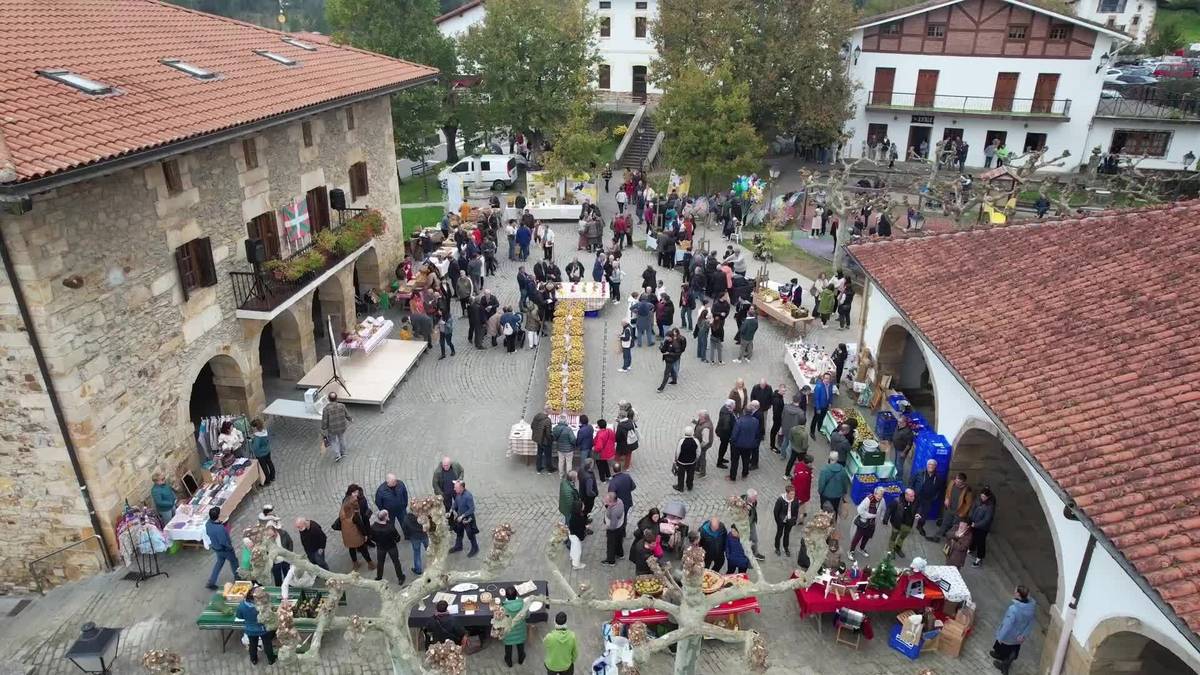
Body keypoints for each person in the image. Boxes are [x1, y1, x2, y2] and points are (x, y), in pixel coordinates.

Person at [992, 586, 1036, 673]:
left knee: (1005, 649)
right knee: (1013, 649)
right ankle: (1000, 657)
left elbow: (1007, 625)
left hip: (1009, 635)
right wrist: (1023, 635)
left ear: (1018, 595)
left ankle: (1004, 666)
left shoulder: (1014, 609)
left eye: (1015, 591)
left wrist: (1000, 637)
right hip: (1018, 636)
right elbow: (1031, 623)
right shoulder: (1031, 608)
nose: (1014, 592)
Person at [236, 587, 278, 665]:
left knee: (252, 644)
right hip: (263, 629)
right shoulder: (263, 607)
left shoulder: (242, 605)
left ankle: (254, 659)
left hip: (250, 630)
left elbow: (239, 616)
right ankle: (271, 659)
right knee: (267, 644)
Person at [338, 492, 374, 571]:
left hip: (347, 536)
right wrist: (365, 535)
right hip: (356, 536)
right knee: (364, 550)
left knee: (351, 549)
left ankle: (355, 564)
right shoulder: (355, 516)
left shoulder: (342, 512)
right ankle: (370, 564)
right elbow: (361, 526)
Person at [934, 472, 975, 542]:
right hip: (950, 508)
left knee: (954, 526)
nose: (957, 483)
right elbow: (948, 491)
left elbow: (968, 504)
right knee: (945, 523)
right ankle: (937, 537)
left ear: (963, 482)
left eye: (959, 482)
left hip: (958, 512)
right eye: (956, 480)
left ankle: (949, 541)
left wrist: (962, 513)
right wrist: (946, 498)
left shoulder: (967, 490)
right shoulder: (952, 483)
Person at [204, 506, 238, 589]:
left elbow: (209, 533)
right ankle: (238, 578)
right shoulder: (220, 528)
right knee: (234, 562)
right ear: (218, 516)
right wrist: (230, 547)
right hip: (225, 550)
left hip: (216, 548)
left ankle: (211, 582)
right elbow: (224, 542)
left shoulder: (208, 524)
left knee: (219, 563)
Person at [368, 510, 405, 583]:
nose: (388, 516)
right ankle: (400, 578)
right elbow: (397, 538)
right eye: (387, 515)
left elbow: (371, 537)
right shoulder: (390, 527)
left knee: (380, 562)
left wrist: (377, 541)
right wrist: (395, 541)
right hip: (391, 547)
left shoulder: (373, 527)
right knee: (396, 562)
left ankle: (379, 577)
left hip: (380, 547)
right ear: (385, 517)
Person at [849, 487, 886, 558]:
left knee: (867, 537)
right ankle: (851, 551)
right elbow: (859, 510)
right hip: (863, 522)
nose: (879, 497)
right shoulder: (868, 500)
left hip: (872, 523)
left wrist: (881, 517)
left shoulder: (882, 500)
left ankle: (861, 549)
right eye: (878, 495)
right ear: (874, 493)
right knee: (857, 537)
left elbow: (883, 509)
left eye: (881, 495)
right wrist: (871, 516)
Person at [912, 459, 945, 537]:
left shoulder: (938, 478)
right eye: (929, 464)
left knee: (923, 516)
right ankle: (907, 526)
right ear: (927, 465)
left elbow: (941, 489)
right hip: (917, 497)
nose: (931, 466)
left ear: (935, 467)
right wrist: (911, 493)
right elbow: (911, 483)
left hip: (928, 500)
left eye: (933, 465)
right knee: (912, 512)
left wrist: (935, 497)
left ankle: (919, 527)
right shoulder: (919, 473)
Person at [885, 488, 921, 557]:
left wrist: (918, 513)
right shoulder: (897, 501)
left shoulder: (915, 500)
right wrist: (885, 519)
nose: (913, 497)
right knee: (893, 537)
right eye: (911, 496)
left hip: (908, 524)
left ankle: (898, 548)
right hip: (897, 523)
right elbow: (889, 509)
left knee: (902, 537)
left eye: (913, 496)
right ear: (906, 495)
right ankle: (891, 551)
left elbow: (919, 506)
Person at [727, 404, 759, 481]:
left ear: (744, 411)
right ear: (751, 412)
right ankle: (745, 473)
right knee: (746, 460)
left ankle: (733, 476)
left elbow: (734, 434)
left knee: (735, 461)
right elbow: (757, 433)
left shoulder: (739, 421)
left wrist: (732, 441)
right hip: (749, 445)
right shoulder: (756, 421)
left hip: (737, 445)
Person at [449, 480, 479, 557]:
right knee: (459, 532)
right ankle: (458, 546)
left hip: (468, 519)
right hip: (459, 518)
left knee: (471, 534)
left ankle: (475, 548)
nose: (454, 489)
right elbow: (455, 503)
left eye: (456, 487)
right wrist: (451, 510)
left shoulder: (468, 496)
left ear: (461, 488)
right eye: (454, 487)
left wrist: (463, 516)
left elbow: (472, 509)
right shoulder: (458, 494)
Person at [816, 452, 850, 520]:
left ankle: (823, 523)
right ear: (837, 459)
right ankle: (833, 524)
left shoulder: (824, 470)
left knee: (824, 509)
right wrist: (844, 492)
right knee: (835, 510)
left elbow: (821, 483)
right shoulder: (842, 470)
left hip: (825, 495)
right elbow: (845, 483)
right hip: (837, 495)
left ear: (829, 458)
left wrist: (820, 491)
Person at [501, 586, 528, 667]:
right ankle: (521, 658)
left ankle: (509, 661)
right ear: (516, 595)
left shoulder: (503, 608)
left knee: (508, 647)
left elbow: (500, 619)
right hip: (520, 631)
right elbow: (527, 615)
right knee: (520, 645)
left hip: (508, 632)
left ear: (506, 596)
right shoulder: (523, 604)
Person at [321, 392, 352, 462]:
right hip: (342, 427)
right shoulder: (342, 406)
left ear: (328, 399)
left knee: (333, 441)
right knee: (342, 439)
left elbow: (325, 420)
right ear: (336, 398)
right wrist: (351, 419)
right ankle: (343, 452)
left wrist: (323, 428)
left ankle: (337, 455)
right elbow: (347, 415)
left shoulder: (326, 409)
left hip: (332, 429)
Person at [969, 487, 996, 567]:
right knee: (973, 537)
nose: (982, 498)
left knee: (981, 542)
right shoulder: (978, 501)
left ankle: (979, 558)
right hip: (974, 523)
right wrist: (971, 518)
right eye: (981, 496)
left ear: (988, 497)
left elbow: (986, 520)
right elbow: (973, 508)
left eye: (984, 497)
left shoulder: (990, 507)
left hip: (982, 528)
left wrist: (976, 525)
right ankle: (971, 548)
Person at [772, 485, 801, 556]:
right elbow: (776, 512)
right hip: (781, 521)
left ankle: (786, 547)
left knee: (787, 534)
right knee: (779, 534)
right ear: (787, 493)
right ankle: (777, 548)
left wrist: (794, 520)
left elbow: (796, 511)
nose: (793, 495)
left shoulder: (795, 500)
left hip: (790, 521)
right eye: (791, 494)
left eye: (794, 494)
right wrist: (778, 521)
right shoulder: (780, 500)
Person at [401, 509, 429, 575]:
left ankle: (418, 569)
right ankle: (433, 564)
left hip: (414, 538)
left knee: (417, 553)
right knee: (429, 550)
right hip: (424, 536)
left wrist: (407, 536)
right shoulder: (423, 515)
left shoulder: (407, 518)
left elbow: (404, 528)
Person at [601, 492, 626, 566]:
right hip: (620, 526)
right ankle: (620, 554)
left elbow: (613, 526)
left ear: (612, 502)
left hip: (614, 530)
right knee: (618, 541)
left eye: (607, 501)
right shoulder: (619, 501)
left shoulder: (614, 512)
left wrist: (607, 527)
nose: (605, 502)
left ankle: (611, 561)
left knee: (611, 545)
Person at [248, 419, 276, 485]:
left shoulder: (257, 437)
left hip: (261, 454)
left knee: (264, 467)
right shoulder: (264, 431)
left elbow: (255, 448)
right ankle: (272, 476)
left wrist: (251, 441)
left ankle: (267, 480)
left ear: (255, 427)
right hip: (267, 450)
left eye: (252, 427)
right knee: (270, 463)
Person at [672, 424, 699, 492]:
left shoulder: (681, 441)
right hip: (692, 462)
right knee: (690, 475)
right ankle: (689, 486)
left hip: (682, 462)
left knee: (681, 475)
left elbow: (678, 452)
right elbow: (698, 451)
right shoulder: (696, 441)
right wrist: (696, 459)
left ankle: (680, 487)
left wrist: (676, 460)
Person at [809, 372, 834, 439]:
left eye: (828, 379)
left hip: (825, 406)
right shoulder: (819, 386)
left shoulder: (830, 385)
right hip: (819, 406)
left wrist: (830, 403)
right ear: (823, 378)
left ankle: (819, 428)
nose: (827, 380)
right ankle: (812, 432)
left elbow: (831, 394)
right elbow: (816, 399)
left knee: (822, 418)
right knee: (815, 419)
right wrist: (818, 408)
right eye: (825, 378)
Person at [692, 410, 714, 478]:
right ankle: (697, 468)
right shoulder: (703, 420)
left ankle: (702, 473)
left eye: (700, 416)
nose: (698, 417)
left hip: (703, 445)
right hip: (699, 442)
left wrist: (699, 447)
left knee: (702, 457)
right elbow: (699, 423)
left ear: (704, 417)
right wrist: (695, 422)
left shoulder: (706, 427)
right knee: (698, 455)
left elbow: (705, 441)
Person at [567, 501, 589, 570]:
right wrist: (585, 528)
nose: (584, 506)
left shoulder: (574, 514)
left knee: (573, 546)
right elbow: (580, 529)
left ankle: (572, 557)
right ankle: (576, 565)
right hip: (576, 535)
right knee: (577, 550)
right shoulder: (578, 518)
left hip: (571, 533)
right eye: (582, 506)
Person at [715, 399, 736, 469]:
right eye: (734, 405)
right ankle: (719, 462)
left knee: (723, 446)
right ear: (730, 406)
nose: (735, 406)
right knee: (723, 447)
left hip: (722, 432)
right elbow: (726, 426)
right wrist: (730, 434)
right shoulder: (726, 414)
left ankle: (721, 459)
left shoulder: (725, 409)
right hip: (725, 434)